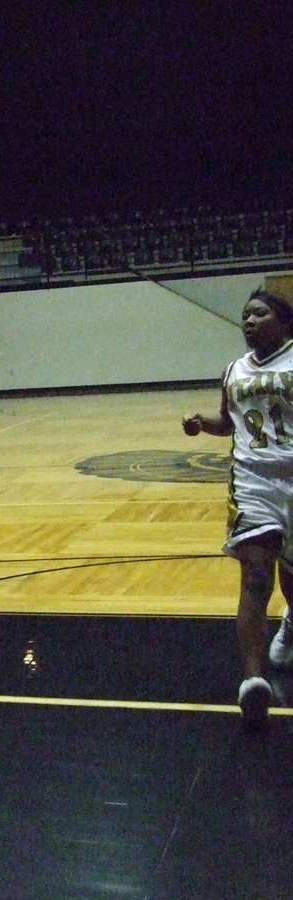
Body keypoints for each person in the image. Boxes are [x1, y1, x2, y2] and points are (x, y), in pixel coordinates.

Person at [183, 288, 293, 728]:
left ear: (284, 322)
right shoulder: (232, 370)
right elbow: (228, 423)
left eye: (259, 313)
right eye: (244, 315)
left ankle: (290, 624)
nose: (248, 321)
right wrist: (200, 424)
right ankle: (253, 682)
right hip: (254, 482)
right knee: (255, 574)